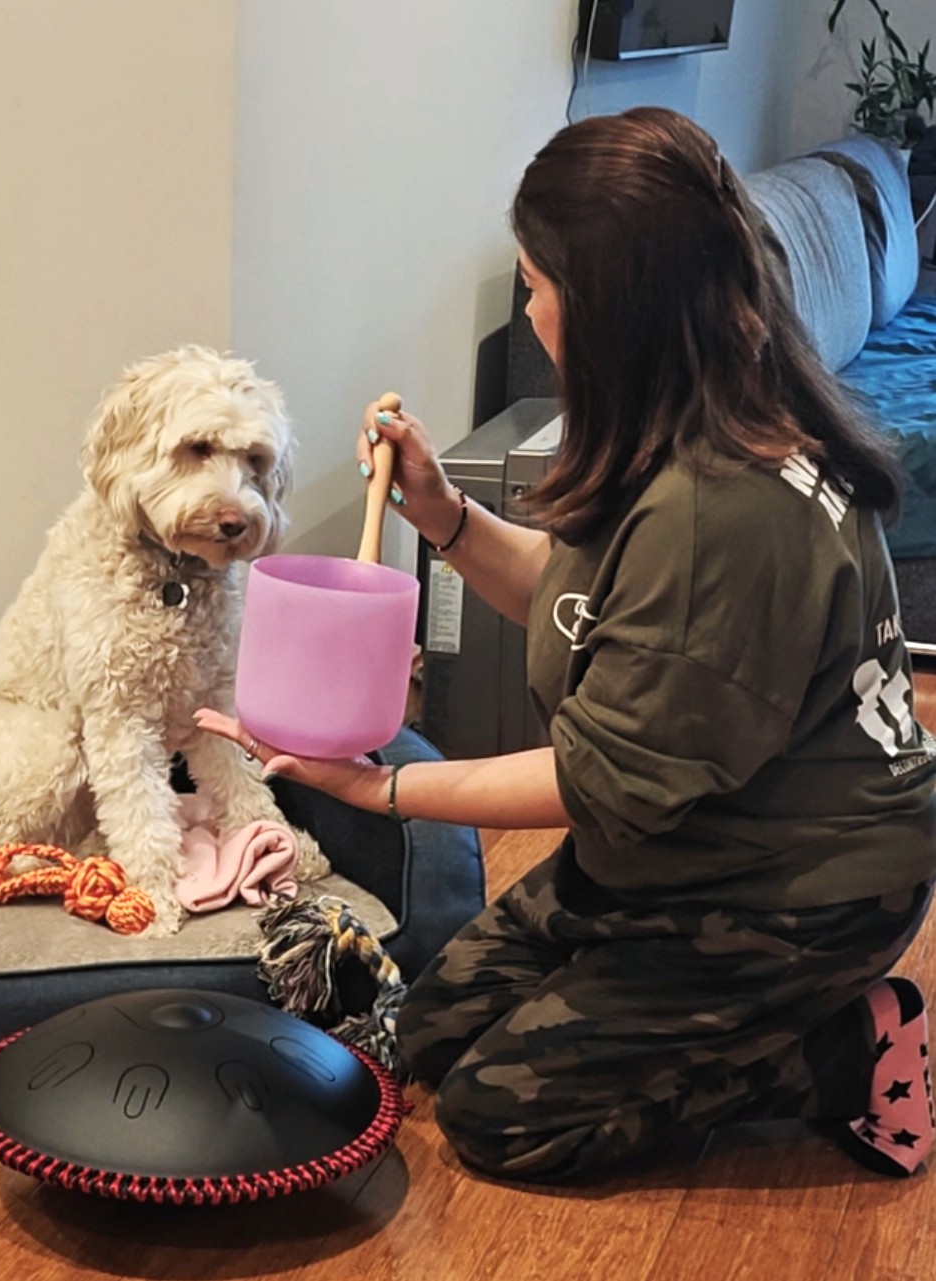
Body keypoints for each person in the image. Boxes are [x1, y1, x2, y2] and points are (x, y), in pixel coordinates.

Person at [195, 106, 936, 1183]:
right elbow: (581, 600)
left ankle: (852, 1048)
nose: (529, 307)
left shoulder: (721, 513)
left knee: (500, 1116)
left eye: (535, 285)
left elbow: (602, 779)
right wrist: (440, 512)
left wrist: (379, 789)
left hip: (790, 890)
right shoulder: (695, 417)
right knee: (425, 1038)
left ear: (603, 310)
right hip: (677, 848)